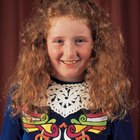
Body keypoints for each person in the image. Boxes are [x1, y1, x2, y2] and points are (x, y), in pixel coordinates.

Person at [0, 0, 134, 139]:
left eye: (80, 40)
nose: (69, 53)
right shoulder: (22, 93)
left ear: (95, 44)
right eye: (59, 41)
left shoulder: (112, 96)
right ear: (43, 44)